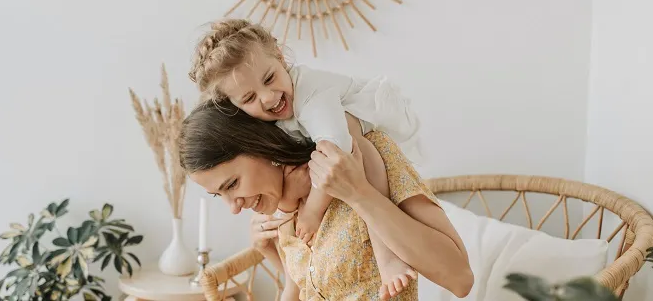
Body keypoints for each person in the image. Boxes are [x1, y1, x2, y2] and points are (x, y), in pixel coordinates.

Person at [187, 18, 424, 295]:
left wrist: (312, 210)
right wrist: (285, 209)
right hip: (334, 144)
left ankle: (388, 256)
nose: (267, 97)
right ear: (235, 107)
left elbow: (337, 153)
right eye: (250, 98)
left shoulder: (311, 94)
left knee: (356, 149)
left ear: (279, 55)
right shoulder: (269, 134)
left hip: (368, 121)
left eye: (270, 78)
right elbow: (303, 283)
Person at [177, 100, 473, 300]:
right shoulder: (281, 207)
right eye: (220, 195)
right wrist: (269, 251)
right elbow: (324, 286)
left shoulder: (365, 156)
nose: (234, 207)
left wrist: (360, 194)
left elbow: (460, 279)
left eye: (233, 184)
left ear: (261, 146)